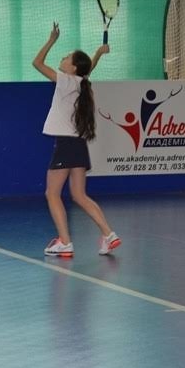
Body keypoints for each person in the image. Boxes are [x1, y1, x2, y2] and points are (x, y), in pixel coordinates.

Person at [32, 21, 121, 257]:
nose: (63, 58)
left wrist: (51, 40)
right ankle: (109, 234)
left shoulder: (66, 80)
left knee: (52, 194)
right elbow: (87, 70)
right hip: (79, 146)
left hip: (66, 145)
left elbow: (37, 63)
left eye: (66, 57)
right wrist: (97, 54)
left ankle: (65, 242)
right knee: (79, 195)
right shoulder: (82, 83)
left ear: (72, 68)